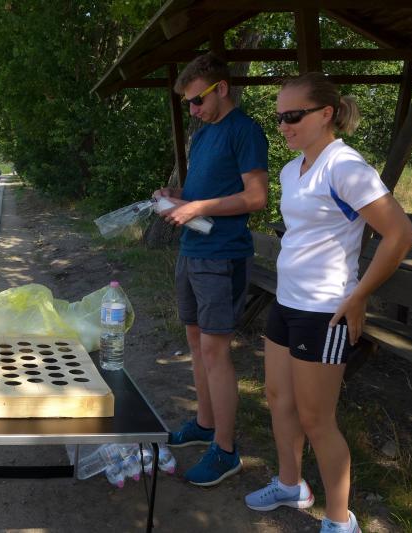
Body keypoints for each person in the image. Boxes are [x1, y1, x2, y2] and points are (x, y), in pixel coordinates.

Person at [244, 73, 412, 533]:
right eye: (279, 118)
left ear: (325, 114)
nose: (283, 125)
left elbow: (400, 234)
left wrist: (359, 296)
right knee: (278, 398)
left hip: (325, 311)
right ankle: (290, 484)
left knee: (316, 418)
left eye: (292, 116)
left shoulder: (345, 166)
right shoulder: (292, 169)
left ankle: (341, 521)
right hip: (286, 302)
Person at [153, 52, 268, 486]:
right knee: (195, 342)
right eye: (188, 104)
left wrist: (198, 206)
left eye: (197, 100)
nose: (193, 110)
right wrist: (176, 196)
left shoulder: (245, 130)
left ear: (222, 88)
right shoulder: (203, 136)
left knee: (216, 351)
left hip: (223, 255)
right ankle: (204, 423)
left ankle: (225, 449)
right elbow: (203, 192)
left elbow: (256, 197)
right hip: (192, 250)